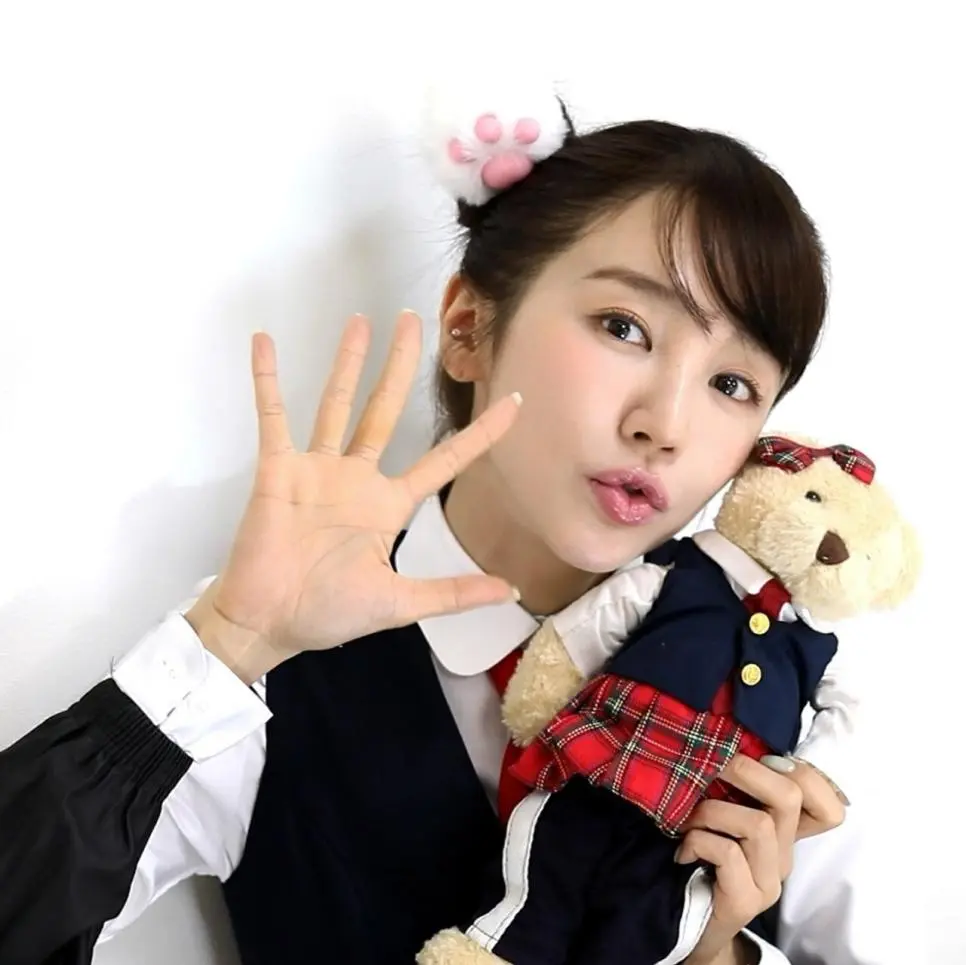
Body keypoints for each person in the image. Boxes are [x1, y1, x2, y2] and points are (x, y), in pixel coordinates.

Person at [0, 89, 855, 965]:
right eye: (624, 326)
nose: (665, 424)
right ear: (469, 327)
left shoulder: (780, 684)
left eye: (732, 384)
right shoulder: (263, 675)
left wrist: (719, 955)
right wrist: (229, 640)